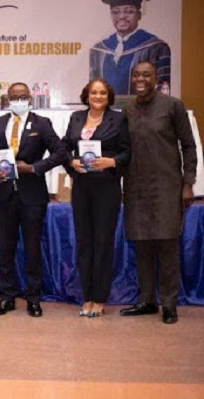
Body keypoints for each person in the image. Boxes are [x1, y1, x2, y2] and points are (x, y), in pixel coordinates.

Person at [120, 61, 197, 324]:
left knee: (167, 245)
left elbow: (188, 145)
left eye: (146, 74)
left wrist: (188, 183)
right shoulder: (127, 109)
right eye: (137, 75)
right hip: (135, 186)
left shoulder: (172, 105)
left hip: (167, 186)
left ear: (156, 78)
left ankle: (169, 303)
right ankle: (146, 301)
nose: (140, 79)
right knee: (141, 246)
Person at [0, 82, 66, 317]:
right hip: (5, 194)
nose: (18, 100)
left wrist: (34, 167)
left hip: (33, 195)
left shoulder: (42, 123)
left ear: (29, 99)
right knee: (6, 249)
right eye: (13, 97)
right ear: (7, 100)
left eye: (22, 96)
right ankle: (6, 297)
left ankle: (33, 298)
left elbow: (60, 152)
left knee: (32, 248)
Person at [62, 79, 131, 317]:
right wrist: (71, 162)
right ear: (87, 95)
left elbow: (127, 151)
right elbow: (64, 147)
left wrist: (112, 162)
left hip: (107, 188)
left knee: (102, 243)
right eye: (94, 92)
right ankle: (87, 297)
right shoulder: (76, 118)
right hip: (81, 186)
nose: (98, 96)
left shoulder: (119, 118)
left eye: (102, 93)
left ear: (108, 96)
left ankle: (100, 299)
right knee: (84, 243)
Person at [89, 0, 171, 95]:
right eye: (115, 12)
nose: (121, 16)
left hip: (142, 109)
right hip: (107, 109)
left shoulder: (156, 47)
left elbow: (163, 90)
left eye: (129, 11)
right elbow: (92, 89)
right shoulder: (99, 50)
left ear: (139, 15)